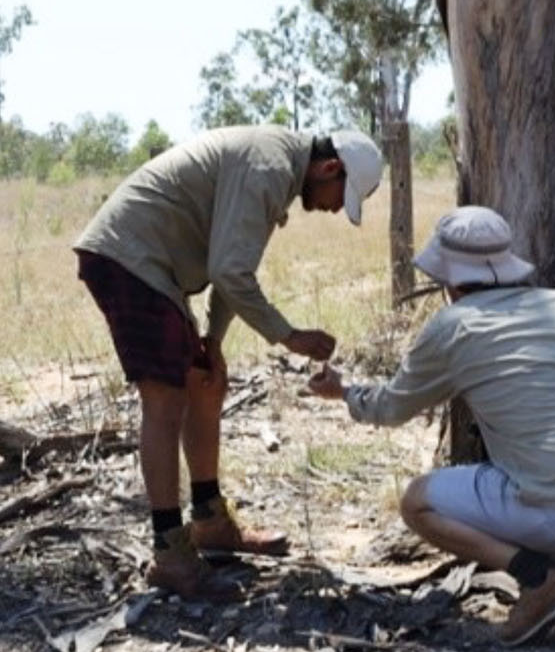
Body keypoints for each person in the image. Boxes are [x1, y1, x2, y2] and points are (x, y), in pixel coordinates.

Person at [308, 206, 555, 645]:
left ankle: (538, 581)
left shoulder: (453, 325)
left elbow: (393, 408)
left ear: (450, 282)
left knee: (417, 503)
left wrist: (344, 393)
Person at [75, 125, 384, 601]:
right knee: (165, 401)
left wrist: (212, 343)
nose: (333, 208)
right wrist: (289, 336)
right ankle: (170, 554)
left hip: (154, 268)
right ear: (329, 168)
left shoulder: (276, 167)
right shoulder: (269, 166)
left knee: (204, 383)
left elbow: (230, 264)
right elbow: (228, 271)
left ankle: (210, 522)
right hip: (131, 258)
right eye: (340, 197)